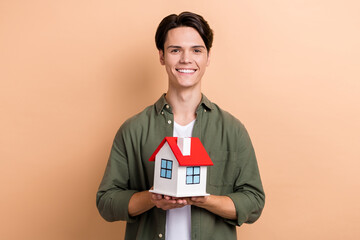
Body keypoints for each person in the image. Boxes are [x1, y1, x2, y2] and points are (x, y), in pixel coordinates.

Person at [96, 11, 265, 240]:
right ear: (162, 56)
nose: (186, 59)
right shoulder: (133, 129)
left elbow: (254, 202)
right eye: (175, 50)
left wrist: (205, 200)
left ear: (208, 57)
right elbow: (106, 201)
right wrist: (152, 197)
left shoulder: (233, 130)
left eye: (196, 50)